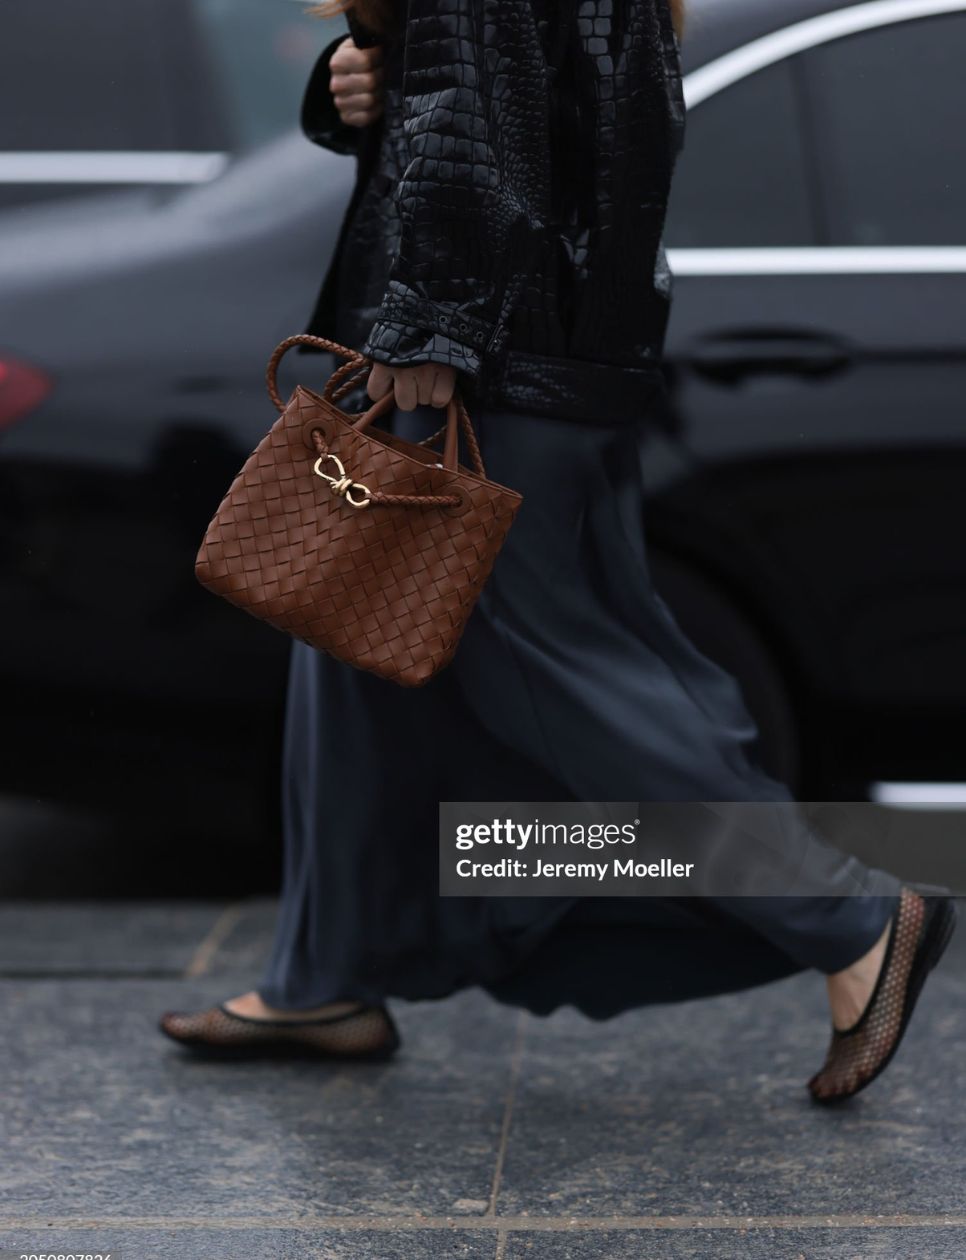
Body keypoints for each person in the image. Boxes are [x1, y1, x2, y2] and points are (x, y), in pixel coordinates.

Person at [160, 0, 957, 1103]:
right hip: (529, 330)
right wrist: (358, 79)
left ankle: (850, 915)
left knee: (561, 676)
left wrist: (433, 321)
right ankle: (324, 976)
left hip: (494, 348)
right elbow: (499, 80)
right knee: (353, 637)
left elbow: (480, 104)